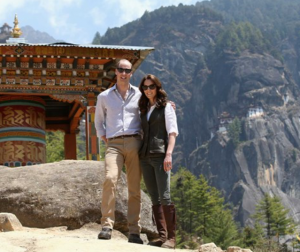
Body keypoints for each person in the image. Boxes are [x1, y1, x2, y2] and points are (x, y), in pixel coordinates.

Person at [94, 59, 143, 244]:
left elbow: (153, 106)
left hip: (135, 142)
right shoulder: (104, 96)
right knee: (110, 179)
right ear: (116, 72)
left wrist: (168, 104)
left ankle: (134, 231)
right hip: (113, 144)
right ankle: (106, 225)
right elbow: (98, 120)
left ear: (131, 73)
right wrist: (103, 136)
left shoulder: (140, 94)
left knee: (134, 187)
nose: (123, 73)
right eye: (121, 70)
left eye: (127, 70)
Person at [138, 74, 178, 249]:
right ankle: (162, 236)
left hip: (160, 155)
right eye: (145, 87)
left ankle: (172, 238)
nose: (148, 90)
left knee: (165, 196)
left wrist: (169, 154)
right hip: (144, 156)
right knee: (154, 196)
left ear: (157, 87)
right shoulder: (144, 107)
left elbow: (172, 132)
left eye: (151, 87)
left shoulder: (167, 107)